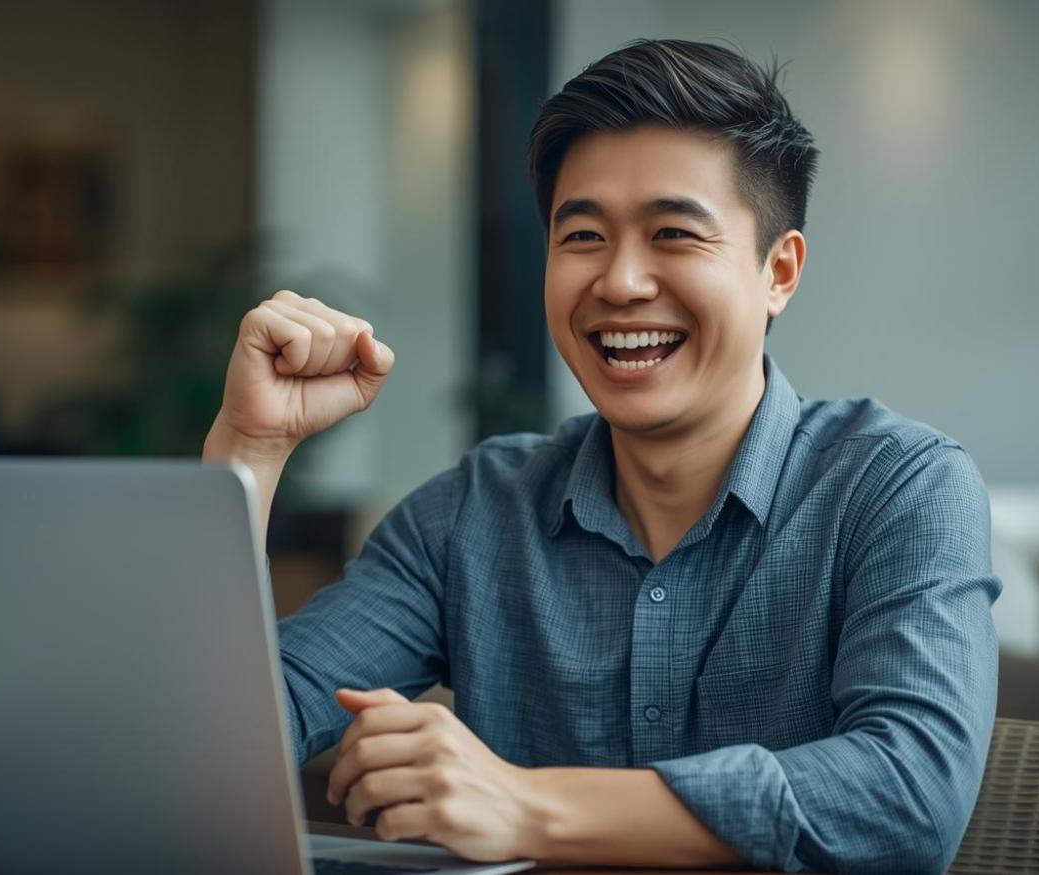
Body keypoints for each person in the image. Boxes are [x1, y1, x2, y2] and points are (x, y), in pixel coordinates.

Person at [203, 39, 998, 874]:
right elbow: (224, 736)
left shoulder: (898, 487)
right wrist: (249, 452)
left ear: (778, 272)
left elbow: (909, 795)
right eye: (581, 234)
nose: (619, 282)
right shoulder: (477, 509)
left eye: (672, 233)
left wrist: (526, 804)